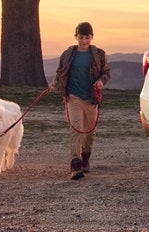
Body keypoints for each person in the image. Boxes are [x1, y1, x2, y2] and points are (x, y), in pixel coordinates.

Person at [50, 22, 110, 180]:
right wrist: (56, 83)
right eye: (81, 37)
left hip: (91, 98)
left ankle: (85, 159)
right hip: (73, 97)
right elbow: (61, 72)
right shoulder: (68, 54)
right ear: (76, 37)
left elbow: (106, 73)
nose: (84, 40)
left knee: (89, 132)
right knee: (76, 130)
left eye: (87, 37)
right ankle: (75, 166)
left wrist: (101, 82)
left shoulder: (99, 54)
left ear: (92, 37)